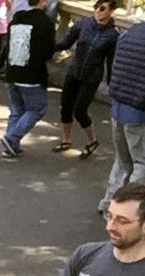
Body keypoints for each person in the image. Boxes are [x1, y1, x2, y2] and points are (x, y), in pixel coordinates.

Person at [51, 0, 118, 159]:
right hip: (74, 71)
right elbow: (65, 43)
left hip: (92, 77)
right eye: (96, 7)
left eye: (102, 8)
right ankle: (66, 140)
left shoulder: (113, 35)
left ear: (111, 11)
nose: (97, 11)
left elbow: (111, 61)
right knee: (66, 107)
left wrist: (111, 85)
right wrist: (46, 47)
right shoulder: (83, 24)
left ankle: (92, 141)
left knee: (80, 111)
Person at [98, 21, 145, 215]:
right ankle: (127, 212)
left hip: (118, 105)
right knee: (141, 164)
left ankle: (109, 203)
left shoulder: (131, 32)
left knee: (122, 161)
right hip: (139, 110)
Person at [0, 0, 55, 158]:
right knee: (37, 108)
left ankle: (11, 144)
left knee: (16, 110)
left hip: (12, 70)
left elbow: (7, 45)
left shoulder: (16, 20)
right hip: (32, 74)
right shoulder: (45, 22)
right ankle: (12, 138)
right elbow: (48, 52)